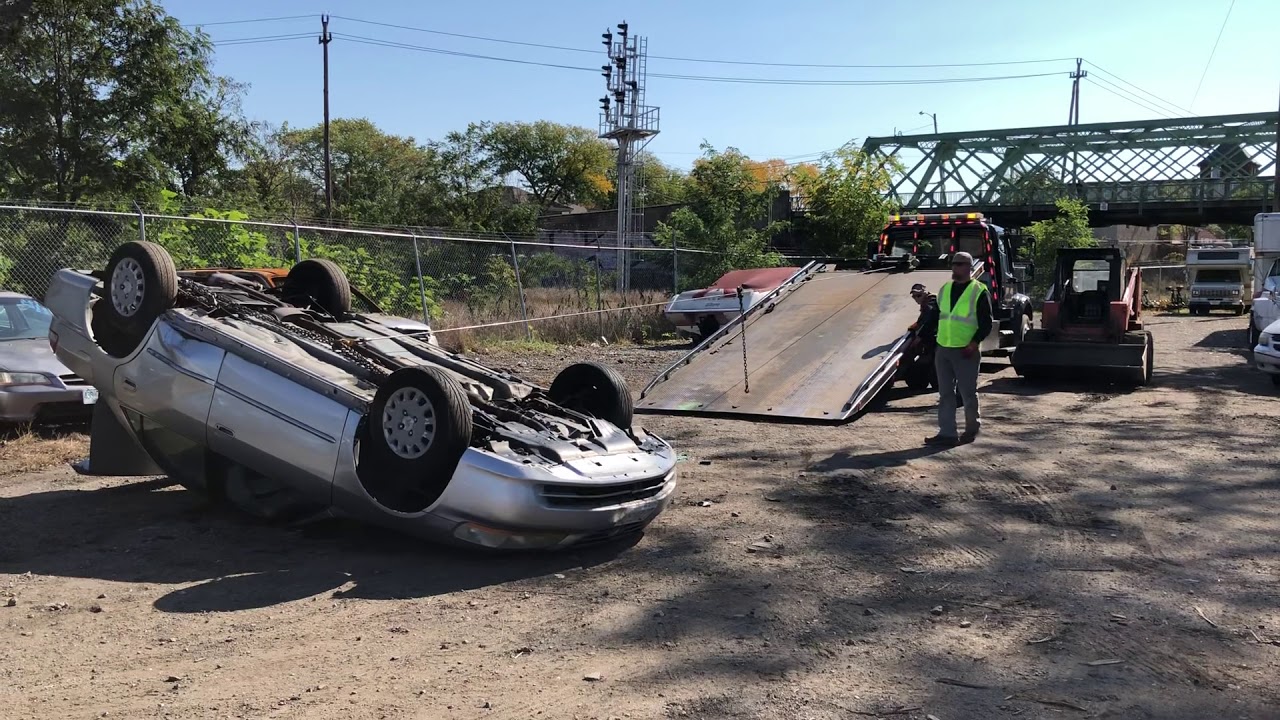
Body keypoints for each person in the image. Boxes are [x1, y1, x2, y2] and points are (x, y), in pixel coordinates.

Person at [926, 251, 992, 446]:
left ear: (969, 267)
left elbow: (986, 323)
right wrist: (921, 335)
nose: (955, 267)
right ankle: (947, 433)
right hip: (944, 348)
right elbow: (935, 316)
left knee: (967, 392)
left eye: (959, 264)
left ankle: (971, 429)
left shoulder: (979, 291)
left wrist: (973, 344)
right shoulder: (945, 289)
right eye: (953, 264)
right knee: (945, 393)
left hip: (966, 350)